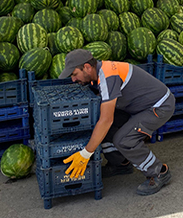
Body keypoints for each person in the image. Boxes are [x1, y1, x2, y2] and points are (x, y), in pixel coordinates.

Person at [60, 49, 176, 195]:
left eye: (75, 74)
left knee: (123, 139)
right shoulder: (98, 75)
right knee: (103, 129)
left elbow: (106, 120)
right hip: (137, 107)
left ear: (87, 67)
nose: (73, 79)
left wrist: (85, 153)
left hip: (159, 107)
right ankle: (121, 164)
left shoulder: (108, 76)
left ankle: (159, 172)